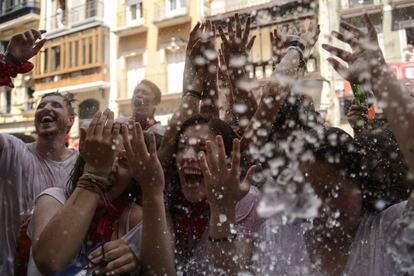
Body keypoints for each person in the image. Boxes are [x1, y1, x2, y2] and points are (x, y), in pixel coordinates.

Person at [29, 110, 174, 275]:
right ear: (87, 159)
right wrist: (95, 174)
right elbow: (49, 262)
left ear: (133, 177)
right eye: (104, 155)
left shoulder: (136, 218)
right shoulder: (54, 199)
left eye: (124, 161)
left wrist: (137, 261)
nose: (110, 167)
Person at [0, 29, 79, 275]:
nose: (45, 109)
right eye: (41, 106)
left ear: (70, 121)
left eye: (56, 105)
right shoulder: (13, 151)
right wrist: (9, 62)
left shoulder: (82, 166)